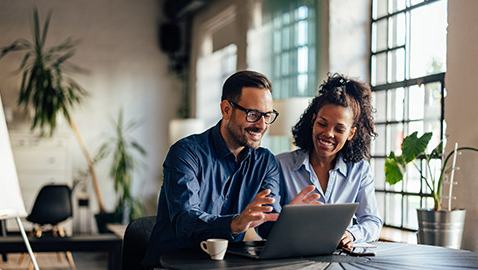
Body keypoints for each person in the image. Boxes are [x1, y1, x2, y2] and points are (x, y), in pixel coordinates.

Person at [142, 70, 319, 267]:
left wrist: (287, 219)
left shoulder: (266, 162)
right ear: (226, 109)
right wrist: (235, 224)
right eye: (253, 114)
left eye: (267, 116)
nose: (262, 125)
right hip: (170, 264)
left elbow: (266, 227)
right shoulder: (185, 153)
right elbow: (185, 222)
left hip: (227, 265)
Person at [276, 73, 383, 248]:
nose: (328, 134)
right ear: (313, 121)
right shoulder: (281, 165)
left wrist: (351, 234)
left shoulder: (360, 170)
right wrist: (287, 216)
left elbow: (373, 222)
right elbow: (262, 228)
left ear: (351, 134)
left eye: (339, 129)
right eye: (322, 123)